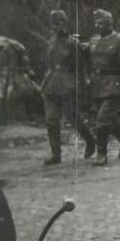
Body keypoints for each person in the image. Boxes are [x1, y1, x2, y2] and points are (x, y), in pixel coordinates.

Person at [41, 9, 95, 165]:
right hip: (52, 84)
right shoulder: (51, 41)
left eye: (60, 23)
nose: (57, 27)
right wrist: (45, 82)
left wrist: (83, 90)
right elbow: (50, 64)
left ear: (65, 23)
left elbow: (81, 69)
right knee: (51, 120)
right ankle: (55, 154)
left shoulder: (73, 44)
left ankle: (90, 140)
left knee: (73, 117)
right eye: (54, 24)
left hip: (68, 84)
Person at [89, 9, 120, 166]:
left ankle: (101, 153)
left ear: (109, 23)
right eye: (95, 23)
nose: (97, 25)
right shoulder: (94, 40)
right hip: (98, 85)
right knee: (110, 119)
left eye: (100, 23)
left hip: (114, 85)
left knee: (102, 119)